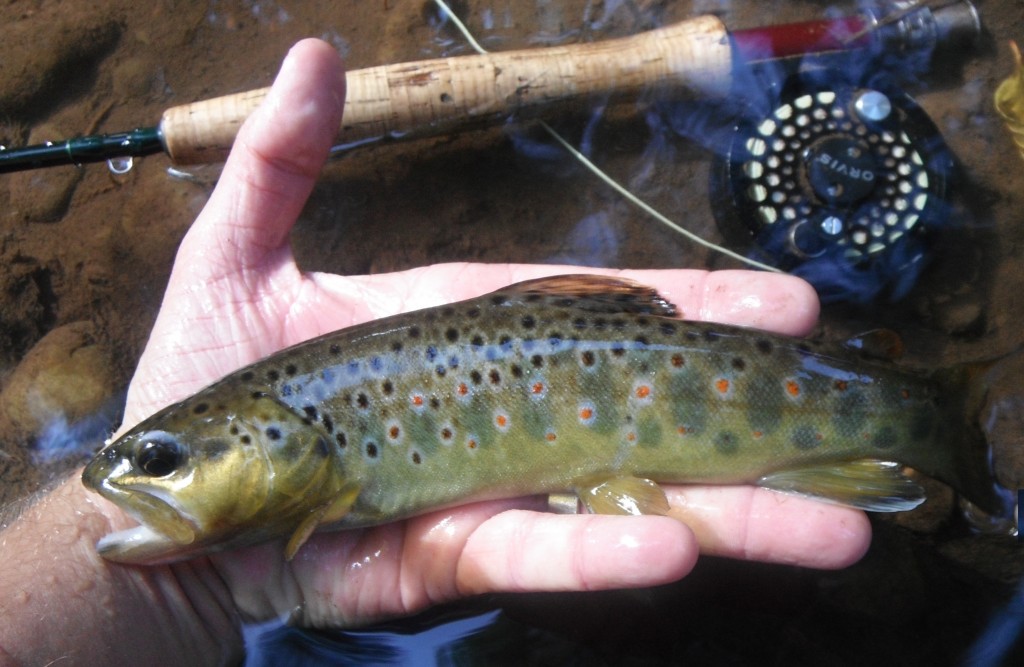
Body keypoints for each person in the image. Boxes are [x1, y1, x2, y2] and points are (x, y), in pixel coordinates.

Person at [0, 39, 870, 665]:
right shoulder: (282, 448)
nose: (123, 485)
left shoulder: (309, 442)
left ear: (270, 433)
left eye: (162, 457)